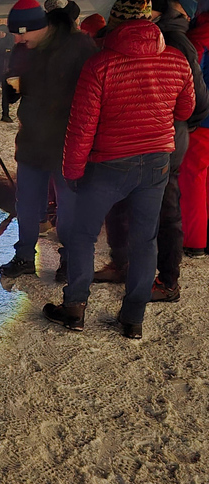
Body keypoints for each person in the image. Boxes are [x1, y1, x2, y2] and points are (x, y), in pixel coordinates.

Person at [43, 5, 195, 338]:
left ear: (114, 25)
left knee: (82, 235)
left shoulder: (100, 64)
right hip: (156, 161)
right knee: (144, 240)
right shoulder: (175, 60)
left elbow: (82, 126)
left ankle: (74, 308)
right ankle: (133, 318)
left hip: (108, 163)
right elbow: (185, 109)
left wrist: (72, 171)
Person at [92, 0, 209, 303]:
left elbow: (198, 102)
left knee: (165, 211)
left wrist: (171, 123)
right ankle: (122, 264)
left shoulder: (175, 42)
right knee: (120, 204)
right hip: (131, 141)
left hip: (165, 142)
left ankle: (168, 281)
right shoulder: (136, 38)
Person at [0, 0, 98, 280]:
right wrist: (12, 88)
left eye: (21, 34)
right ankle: (24, 256)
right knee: (27, 203)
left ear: (38, 26)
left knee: (69, 206)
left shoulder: (78, 46)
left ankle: (70, 260)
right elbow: (17, 81)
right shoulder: (24, 49)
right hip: (32, 139)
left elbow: (87, 91)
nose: (18, 40)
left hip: (68, 141)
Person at [179, 0, 209, 258]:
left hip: (203, 122)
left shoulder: (199, 38)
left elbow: (191, 81)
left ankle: (195, 240)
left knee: (193, 179)